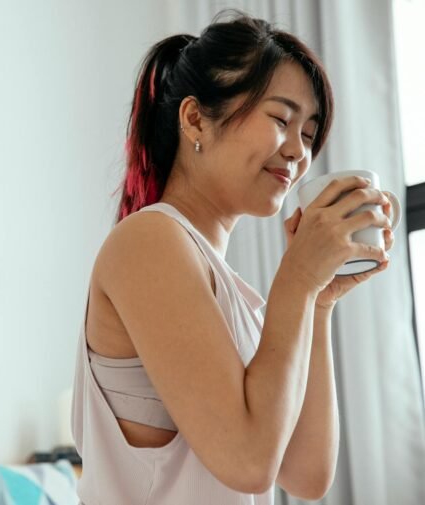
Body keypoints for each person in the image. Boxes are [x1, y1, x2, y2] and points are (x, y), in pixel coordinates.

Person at [70, 11, 396, 505]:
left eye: (308, 134)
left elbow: (306, 476)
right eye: (281, 120)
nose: (298, 153)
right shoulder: (149, 239)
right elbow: (248, 462)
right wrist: (297, 278)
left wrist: (318, 301)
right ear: (195, 118)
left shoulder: (238, 298)